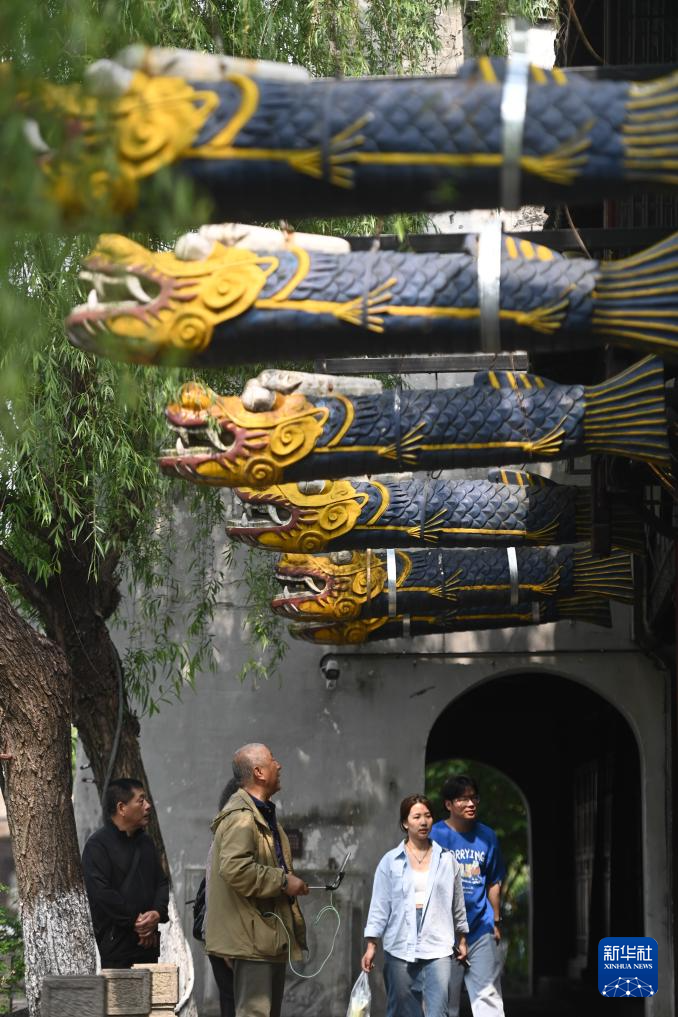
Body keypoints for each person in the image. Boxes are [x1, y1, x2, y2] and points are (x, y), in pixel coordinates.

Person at [205, 743, 309, 1017]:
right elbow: (236, 869)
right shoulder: (241, 817)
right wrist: (284, 882)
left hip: (266, 936)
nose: (279, 765)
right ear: (259, 772)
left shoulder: (262, 814)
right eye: (273, 760)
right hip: (252, 940)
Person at [361, 794, 469, 1017]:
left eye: (427, 816)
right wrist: (372, 945)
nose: (423, 822)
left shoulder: (447, 860)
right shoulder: (390, 861)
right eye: (417, 817)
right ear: (405, 823)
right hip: (400, 942)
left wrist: (462, 938)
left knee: (438, 1011)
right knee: (402, 1011)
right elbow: (380, 905)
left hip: (438, 942)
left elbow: (457, 903)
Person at [430, 774, 506, 1017]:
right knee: (444, 1001)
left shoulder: (487, 836)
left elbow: (493, 881)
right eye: (463, 799)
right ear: (448, 804)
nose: (471, 803)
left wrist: (495, 921)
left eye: (474, 798)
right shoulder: (434, 836)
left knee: (489, 998)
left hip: (481, 928)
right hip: (444, 933)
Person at [82, 778, 169, 968]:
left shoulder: (146, 843)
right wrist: (137, 922)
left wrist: (156, 913)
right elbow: (102, 893)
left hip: (148, 945)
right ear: (122, 808)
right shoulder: (97, 846)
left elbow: (161, 883)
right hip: (117, 948)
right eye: (141, 801)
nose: (148, 806)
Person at [203, 777, 241, 1017]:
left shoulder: (227, 836)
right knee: (234, 1001)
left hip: (230, 937)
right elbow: (218, 892)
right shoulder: (228, 839)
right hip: (228, 939)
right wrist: (227, 944)